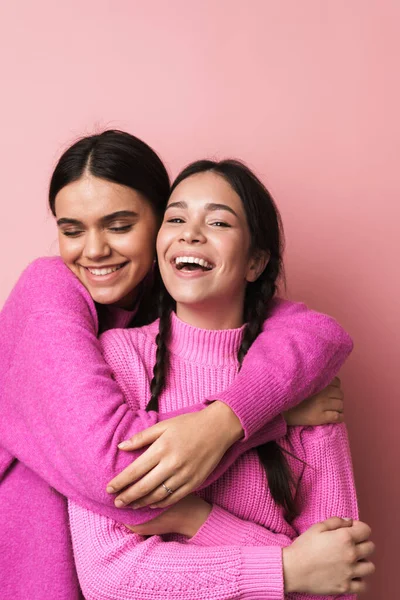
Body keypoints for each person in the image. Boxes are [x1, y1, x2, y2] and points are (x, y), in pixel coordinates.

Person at [0, 131, 354, 599]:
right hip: (34, 569)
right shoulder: (52, 291)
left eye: (120, 225)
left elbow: (319, 335)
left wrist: (234, 422)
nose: (93, 250)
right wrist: (260, 417)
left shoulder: (177, 296)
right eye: (71, 230)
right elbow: (115, 474)